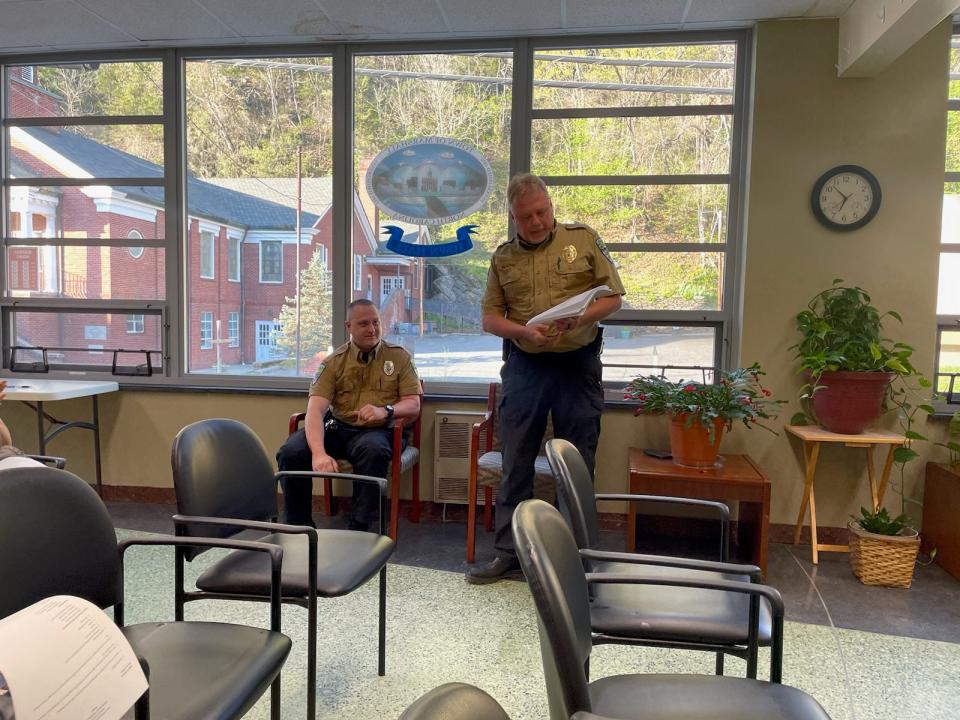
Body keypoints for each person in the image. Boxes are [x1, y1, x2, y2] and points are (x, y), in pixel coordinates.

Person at [466, 173, 625, 584]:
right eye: (526, 216)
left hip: (578, 365)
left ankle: (577, 557)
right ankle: (508, 552)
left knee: (576, 462)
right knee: (515, 458)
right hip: (526, 367)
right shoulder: (503, 258)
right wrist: (523, 332)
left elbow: (613, 297)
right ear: (513, 217)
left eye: (542, 212)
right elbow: (489, 318)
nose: (536, 221)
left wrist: (580, 319)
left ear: (550, 206)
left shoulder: (584, 240)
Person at [276, 299, 421, 531]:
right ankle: (298, 527)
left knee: (373, 451)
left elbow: (414, 405)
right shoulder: (334, 362)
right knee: (291, 452)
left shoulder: (399, 357)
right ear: (349, 327)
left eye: (375, 322)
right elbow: (314, 410)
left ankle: (360, 528)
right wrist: (319, 453)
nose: (372, 329)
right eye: (364, 324)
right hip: (338, 427)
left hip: (377, 430)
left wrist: (385, 410)